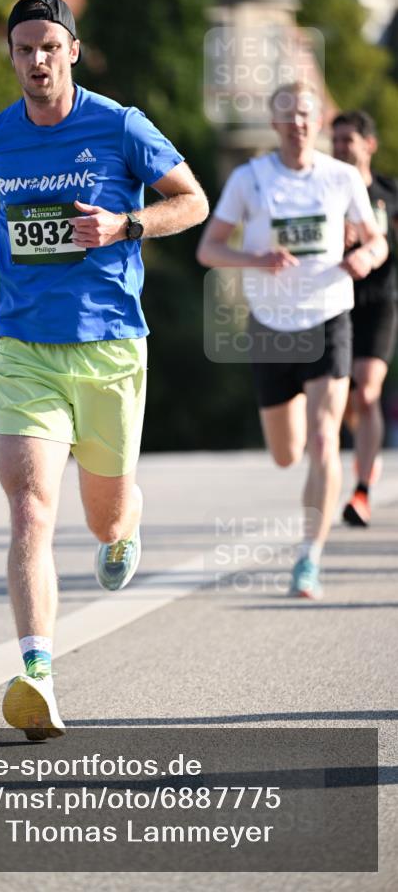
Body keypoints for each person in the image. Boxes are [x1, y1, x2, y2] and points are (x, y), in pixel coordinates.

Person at [0, 0, 208, 739]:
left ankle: (125, 523)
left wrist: (128, 223)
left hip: (111, 346)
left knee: (102, 517)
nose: (36, 60)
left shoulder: (119, 125)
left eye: (49, 46)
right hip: (23, 349)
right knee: (29, 508)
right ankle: (37, 673)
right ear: (12, 57)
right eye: (24, 49)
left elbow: (193, 200)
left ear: (72, 50)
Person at [197, 82, 387, 601]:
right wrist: (255, 260)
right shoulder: (249, 180)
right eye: (289, 114)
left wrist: (364, 258)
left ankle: (310, 557)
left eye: (307, 113)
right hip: (272, 329)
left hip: (328, 318)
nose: (299, 123)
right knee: (287, 453)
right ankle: (297, 449)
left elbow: (375, 238)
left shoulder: (342, 177)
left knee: (327, 440)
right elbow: (209, 249)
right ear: (275, 122)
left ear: (318, 120)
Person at [331, 110, 398, 527]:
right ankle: (365, 452)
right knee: (345, 399)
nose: (339, 148)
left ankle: (361, 491)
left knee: (368, 391)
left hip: (380, 301)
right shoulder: (322, 191)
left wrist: (376, 239)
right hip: (332, 302)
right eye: (335, 141)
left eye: (347, 140)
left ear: (368, 144)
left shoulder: (390, 193)